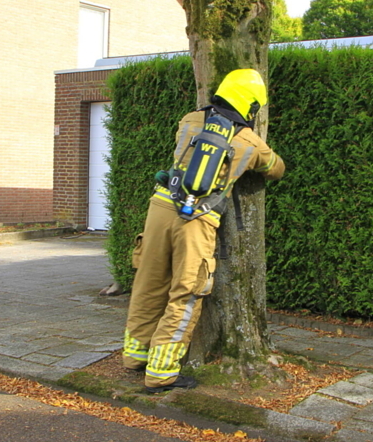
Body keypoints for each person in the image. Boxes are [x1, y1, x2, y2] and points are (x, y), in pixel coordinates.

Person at [123, 68, 286, 393]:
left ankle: (134, 355)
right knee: (187, 292)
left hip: (160, 207)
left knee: (149, 282)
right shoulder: (250, 141)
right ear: (250, 105)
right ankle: (162, 372)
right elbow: (276, 169)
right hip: (198, 219)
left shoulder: (189, 120)